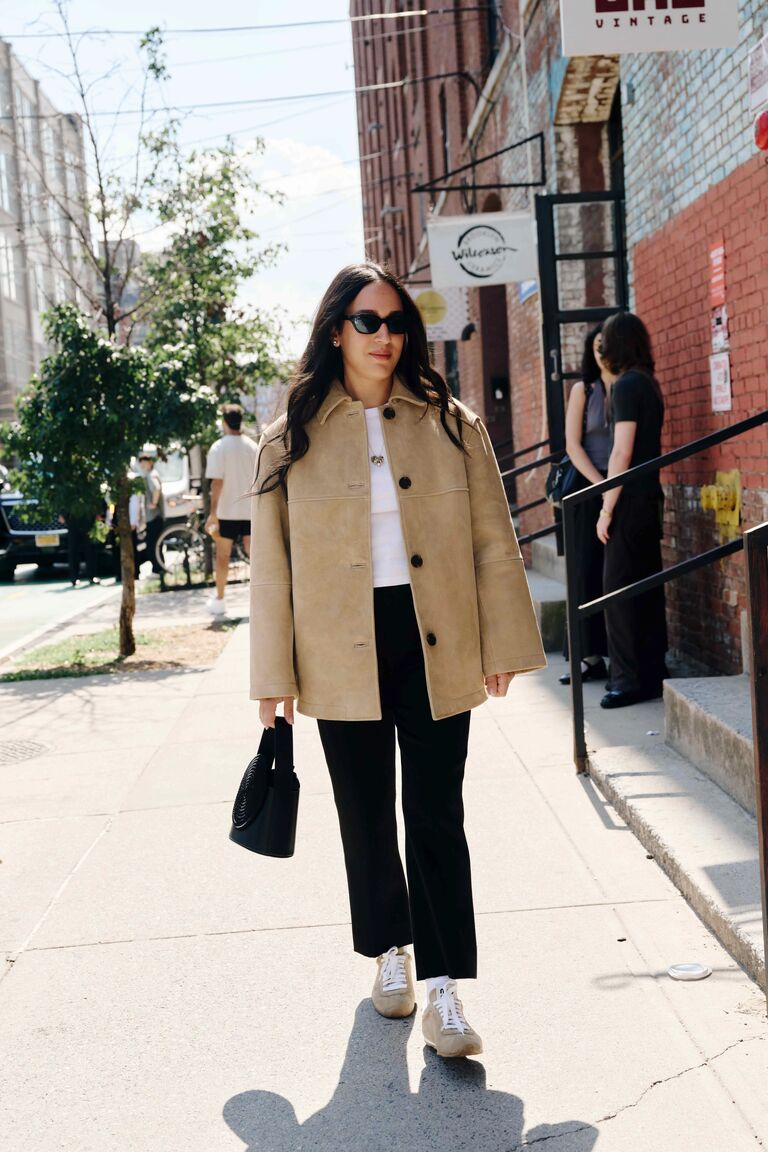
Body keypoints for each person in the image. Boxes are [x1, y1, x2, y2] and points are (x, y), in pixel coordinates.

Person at [249, 262, 546, 1059]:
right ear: (337, 330)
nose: (386, 337)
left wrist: (505, 641)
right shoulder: (290, 437)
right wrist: (270, 677)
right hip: (336, 645)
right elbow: (271, 567)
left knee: (437, 810)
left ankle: (447, 990)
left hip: (433, 635)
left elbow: (492, 539)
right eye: (369, 322)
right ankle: (391, 953)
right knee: (366, 810)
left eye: (397, 322)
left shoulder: (452, 424)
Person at [596, 312, 668, 708]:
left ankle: (625, 680)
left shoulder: (626, 386)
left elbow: (621, 452)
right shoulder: (649, 384)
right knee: (645, 587)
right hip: (648, 498)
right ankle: (652, 672)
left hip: (628, 504)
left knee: (617, 592)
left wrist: (606, 509)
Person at [559, 326, 612, 687]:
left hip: (619, 487)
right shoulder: (584, 389)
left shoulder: (626, 386)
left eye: (605, 347)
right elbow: (572, 445)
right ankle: (587, 658)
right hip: (587, 487)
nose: (601, 353)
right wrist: (601, 485)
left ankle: (618, 653)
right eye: (596, 347)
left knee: (616, 573)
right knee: (585, 572)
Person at [205, 403, 259, 618]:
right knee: (256, 557)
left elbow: (216, 482)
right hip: (251, 510)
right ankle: (263, 599)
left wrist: (212, 512)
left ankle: (219, 600)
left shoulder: (219, 447)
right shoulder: (252, 446)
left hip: (227, 511)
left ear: (224, 421)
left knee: (222, 557)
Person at [138, 451, 163, 575]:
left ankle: (158, 569)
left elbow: (156, 488)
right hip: (154, 516)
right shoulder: (151, 474)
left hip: (154, 515)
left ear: (150, 462)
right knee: (156, 544)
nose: (142, 464)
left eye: (144, 461)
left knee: (152, 545)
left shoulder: (151, 475)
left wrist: (153, 503)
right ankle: (159, 569)